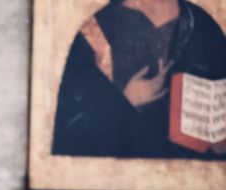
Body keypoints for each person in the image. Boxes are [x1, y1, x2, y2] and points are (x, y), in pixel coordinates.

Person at [52, 0, 226, 158]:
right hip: (120, 178)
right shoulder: (94, 31)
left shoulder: (204, 27)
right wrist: (125, 101)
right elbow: (69, 131)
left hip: (186, 179)